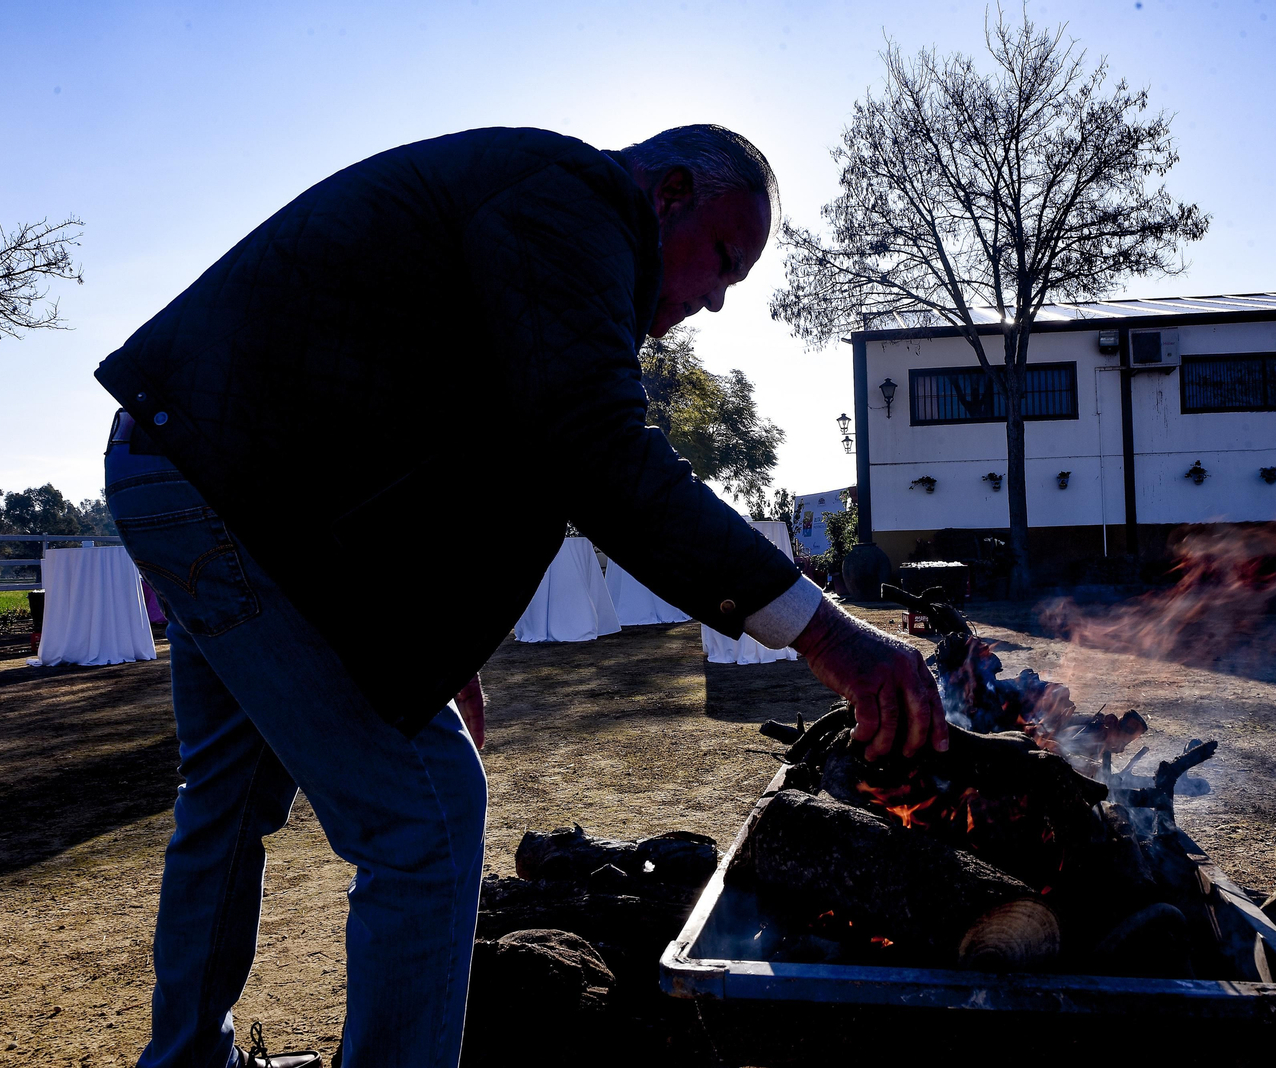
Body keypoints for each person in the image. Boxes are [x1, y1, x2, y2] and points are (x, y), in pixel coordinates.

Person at [97, 124, 946, 1068]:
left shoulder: (536, 211)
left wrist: (444, 650)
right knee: (429, 813)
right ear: (668, 194)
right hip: (231, 492)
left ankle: (183, 1061)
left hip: (204, 473)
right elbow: (594, 449)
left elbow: (438, 448)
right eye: (721, 261)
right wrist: (825, 635)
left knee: (228, 796)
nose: (712, 297)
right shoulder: (572, 203)